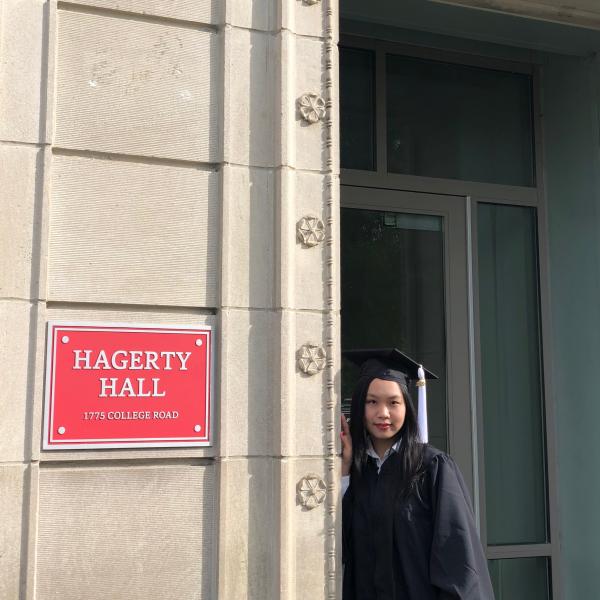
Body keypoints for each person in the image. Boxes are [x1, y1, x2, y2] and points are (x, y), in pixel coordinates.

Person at [341, 348, 495, 600]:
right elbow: (339, 550)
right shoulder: (357, 474)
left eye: (393, 402)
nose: (383, 413)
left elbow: (458, 561)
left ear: (407, 407)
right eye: (372, 402)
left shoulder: (432, 468)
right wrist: (345, 471)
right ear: (360, 406)